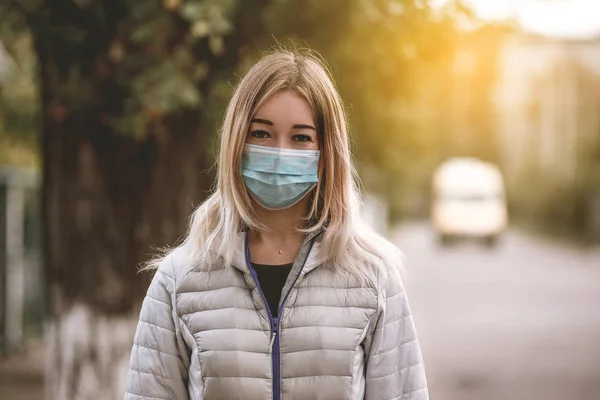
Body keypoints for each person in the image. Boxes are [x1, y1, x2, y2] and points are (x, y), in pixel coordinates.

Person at [124, 48, 428, 400]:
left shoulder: (372, 278)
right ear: (237, 140)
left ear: (326, 152)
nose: (281, 152)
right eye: (262, 134)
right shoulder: (180, 280)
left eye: (301, 137)